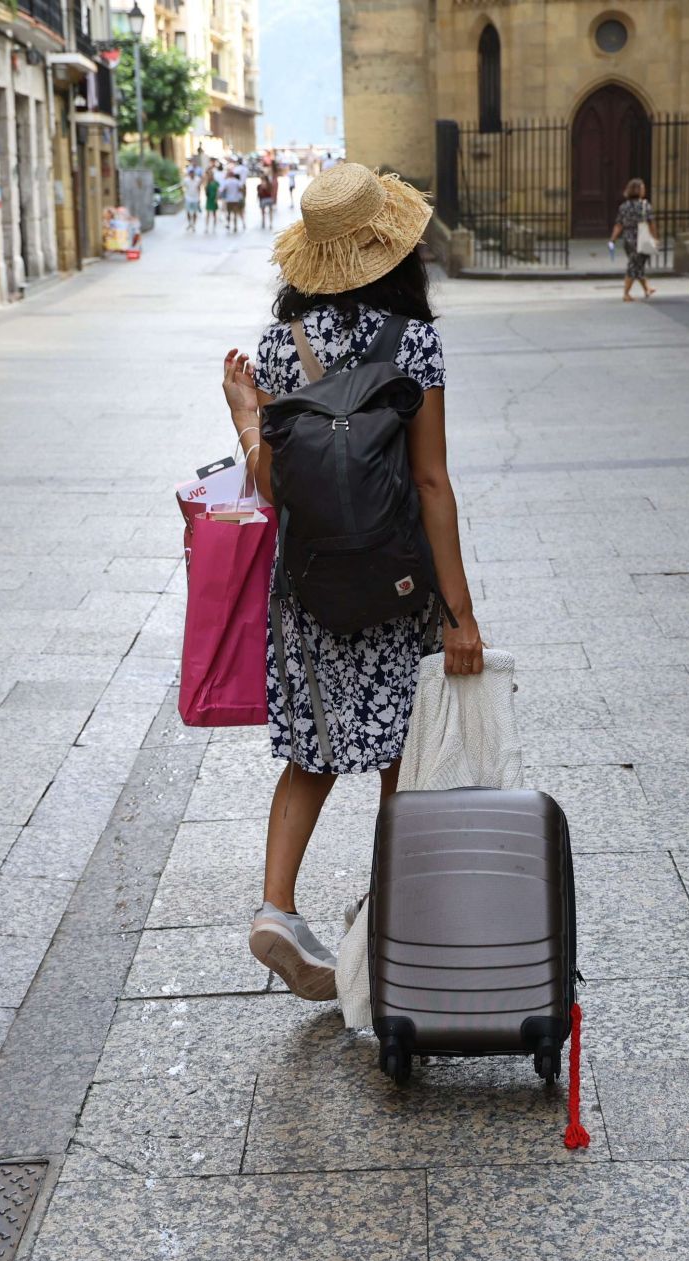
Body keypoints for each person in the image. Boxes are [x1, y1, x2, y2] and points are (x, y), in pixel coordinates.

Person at [220, 164, 484, 1000]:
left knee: (314, 750)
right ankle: (391, 912)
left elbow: (275, 486)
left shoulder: (278, 346)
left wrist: (245, 419)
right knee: (400, 750)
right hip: (396, 583)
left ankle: (276, 908)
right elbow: (431, 482)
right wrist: (458, 614)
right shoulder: (413, 344)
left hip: (309, 585)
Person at [609, 178, 655, 302]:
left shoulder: (623, 206)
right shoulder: (645, 205)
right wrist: (654, 237)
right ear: (639, 190)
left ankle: (647, 288)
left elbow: (619, 224)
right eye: (643, 188)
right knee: (634, 265)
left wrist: (613, 238)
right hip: (642, 238)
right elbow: (651, 223)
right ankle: (626, 293)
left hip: (628, 238)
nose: (644, 190)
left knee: (637, 264)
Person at [220, 167, 246, 233]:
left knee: (229, 213)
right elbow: (241, 188)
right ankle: (235, 226)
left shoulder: (227, 181)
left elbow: (222, 190)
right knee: (235, 213)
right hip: (235, 199)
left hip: (229, 200)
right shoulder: (236, 181)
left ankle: (229, 224)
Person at [181, 166, 205, 232]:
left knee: (195, 212)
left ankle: (193, 224)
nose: (191, 174)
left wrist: (199, 198)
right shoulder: (186, 180)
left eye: (192, 173)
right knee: (188, 211)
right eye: (190, 173)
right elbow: (183, 187)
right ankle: (189, 223)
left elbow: (199, 188)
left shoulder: (197, 179)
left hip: (195, 198)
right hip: (188, 197)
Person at [204, 164, 221, 233]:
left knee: (214, 214)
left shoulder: (216, 183)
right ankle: (206, 227)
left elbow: (218, 191)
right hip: (209, 199)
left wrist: (216, 198)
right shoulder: (207, 183)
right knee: (208, 214)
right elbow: (206, 191)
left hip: (214, 199)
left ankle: (214, 227)